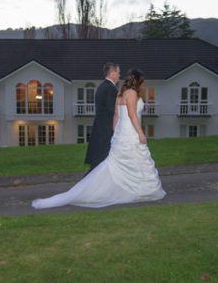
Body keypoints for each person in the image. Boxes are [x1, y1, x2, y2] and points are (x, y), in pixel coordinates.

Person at [32, 68, 166, 209]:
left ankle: (136, 190)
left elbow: (116, 115)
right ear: (138, 81)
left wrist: (116, 133)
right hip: (130, 131)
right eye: (143, 82)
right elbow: (132, 115)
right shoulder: (131, 93)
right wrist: (140, 133)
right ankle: (139, 190)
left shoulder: (120, 94)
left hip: (122, 131)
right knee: (135, 160)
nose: (144, 85)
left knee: (126, 162)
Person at [84, 62, 120, 173]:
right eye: (118, 73)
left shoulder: (102, 87)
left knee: (98, 164)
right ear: (113, 73)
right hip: (106, 130)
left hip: (100, 128)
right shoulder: (110, 89)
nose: (119, 75)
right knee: (101, 163)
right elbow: (111, 111)